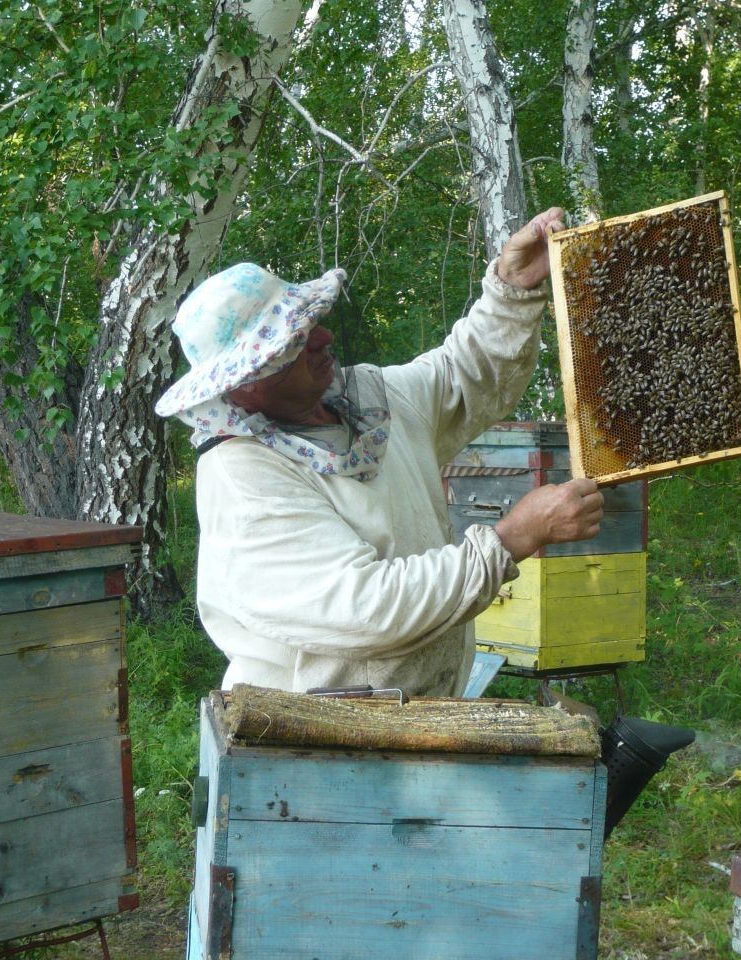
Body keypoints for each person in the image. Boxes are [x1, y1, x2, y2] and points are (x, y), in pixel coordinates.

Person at [155, 208, 605, 697]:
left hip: (416, 718)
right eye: (295, 342)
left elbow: (464, 376)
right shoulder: (242, 475)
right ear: (244, 384)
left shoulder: (366, 399)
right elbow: (365, 607)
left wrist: (512, 288)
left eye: (315, 324)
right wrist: (513, 537)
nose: (324, 339)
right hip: (314, 743)